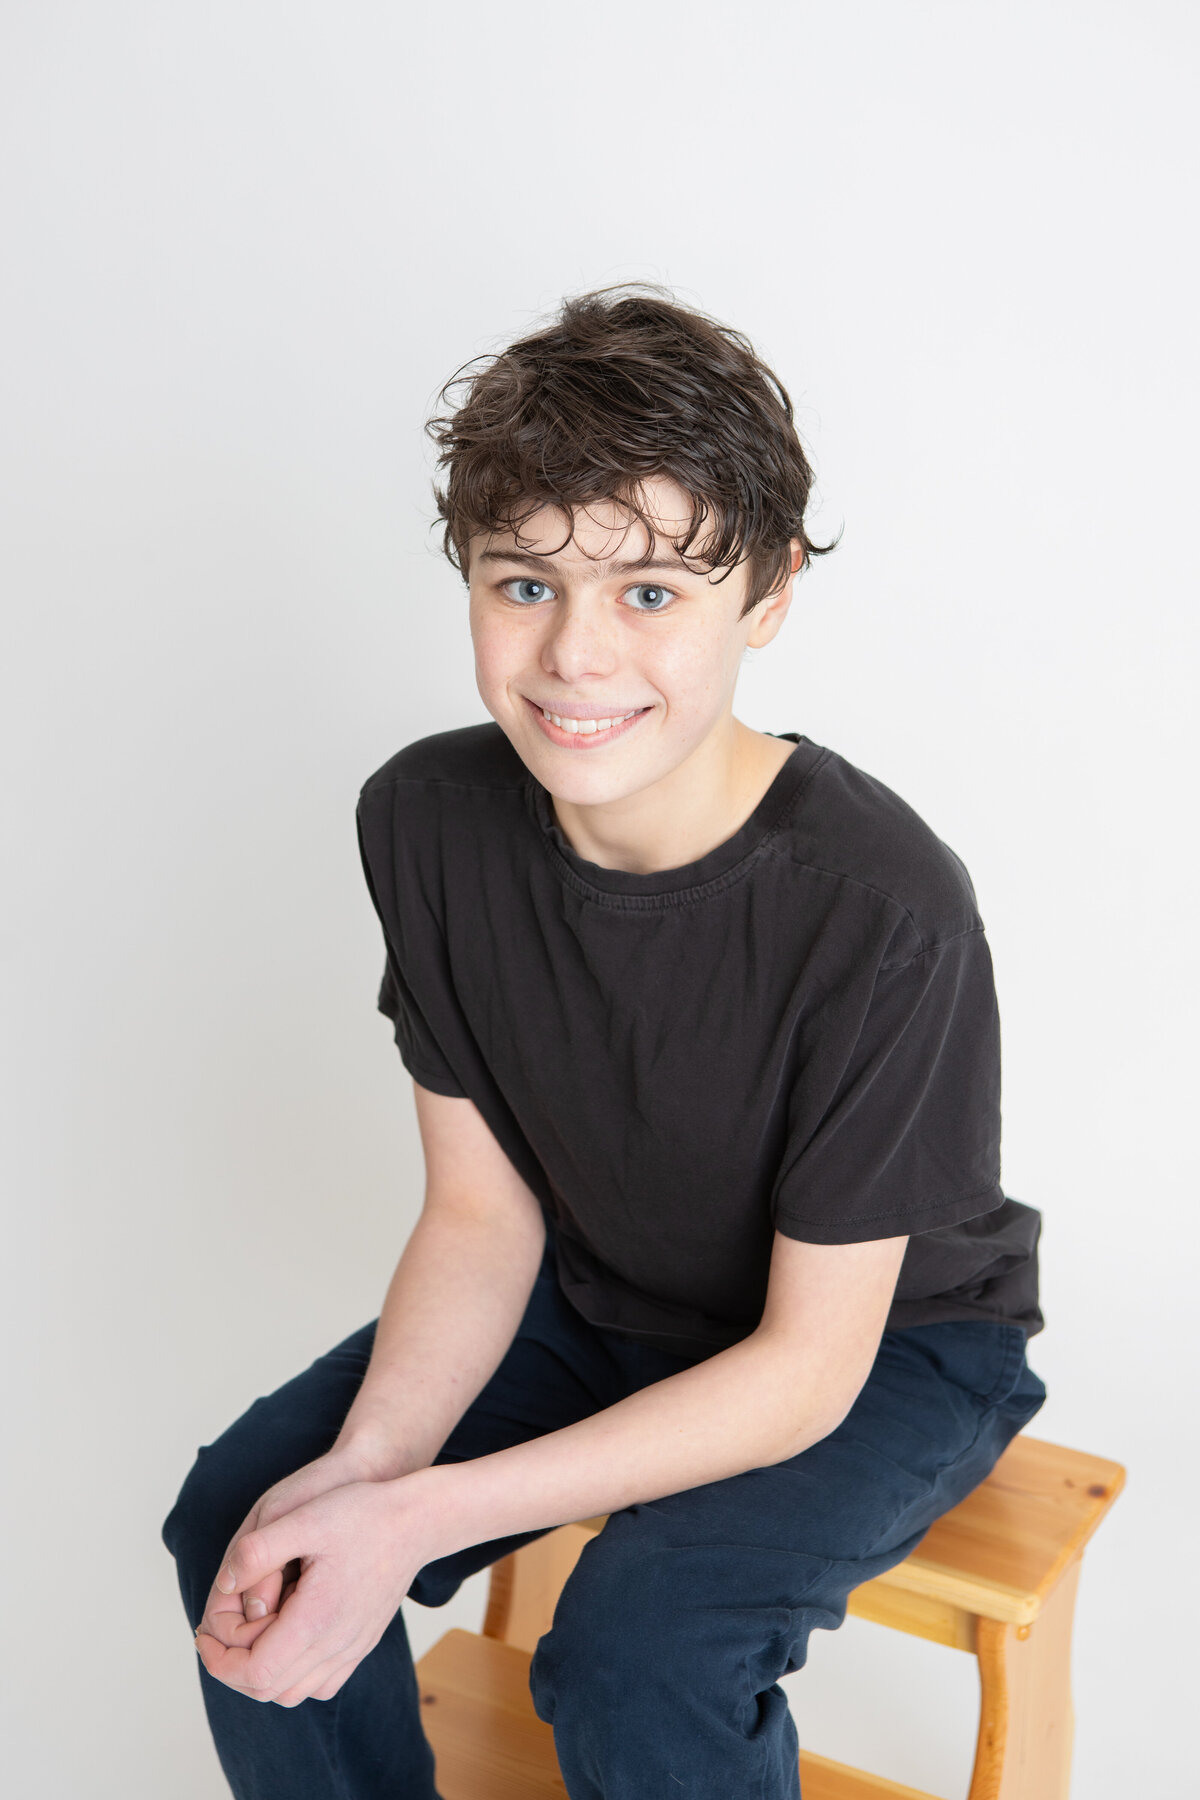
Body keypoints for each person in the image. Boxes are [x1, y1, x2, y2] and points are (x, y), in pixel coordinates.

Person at [163, 286, 1046, 1800]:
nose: (576, 656)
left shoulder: (883, 908)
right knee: (252, 1511)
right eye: (524, 584)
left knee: (636, 1649)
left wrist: (423, 1520)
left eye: (651, 593)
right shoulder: (426, 819)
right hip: (602, 1293)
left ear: (762, 599)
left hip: (881, 1349)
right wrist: (369, 1484)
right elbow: (480, 1214)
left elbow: (801, 1374)